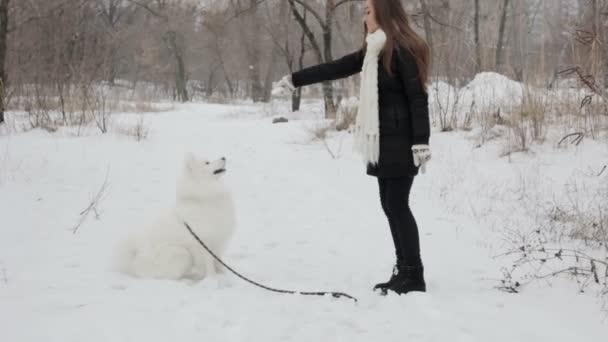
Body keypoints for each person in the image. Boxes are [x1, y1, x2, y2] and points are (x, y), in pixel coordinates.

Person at [272, 0, 432, 296]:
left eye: (368, 11)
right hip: (381, 140)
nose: (364, 17)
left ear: (383, 13)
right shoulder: (374, 49)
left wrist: (421, 141)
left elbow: (417, 98)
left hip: (401, 140)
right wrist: (295, 80)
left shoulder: (401, 49)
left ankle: (414, 275)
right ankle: (404, 270)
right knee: (390, 205)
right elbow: (337, 67)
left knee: (397, 205)